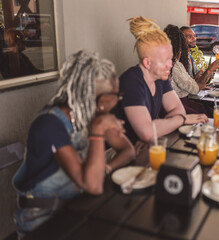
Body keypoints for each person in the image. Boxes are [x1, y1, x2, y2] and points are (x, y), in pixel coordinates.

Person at [13, 50, 135, 235]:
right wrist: (97, 131)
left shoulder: (93, 114)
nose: (118, 101)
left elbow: (128, 150)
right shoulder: (49, 125)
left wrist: (106, 168)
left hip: (77, 206)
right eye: (116, 96)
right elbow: (92, 185)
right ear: (100, 101)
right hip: (42, 217)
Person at [111, 17, 208, 145]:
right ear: (147, 63)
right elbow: (147, 132)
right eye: (164, 60)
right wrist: (181, 120)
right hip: (117, 153)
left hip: (143, 147)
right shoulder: (132, 82)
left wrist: (172, 120)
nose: (170, 65)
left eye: (170, 59)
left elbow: (178, 110)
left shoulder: (160, 77)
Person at [164, 24, 211, 116]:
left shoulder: (170, 63)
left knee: (207, 108)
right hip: (177, 107)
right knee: (208, 113)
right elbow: (194, 88)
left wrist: (195, 80)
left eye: (194, 36)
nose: (194, 39)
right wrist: (210, 69)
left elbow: (188, 83)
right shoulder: (174, 65)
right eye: (189, 36)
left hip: (174, 105)